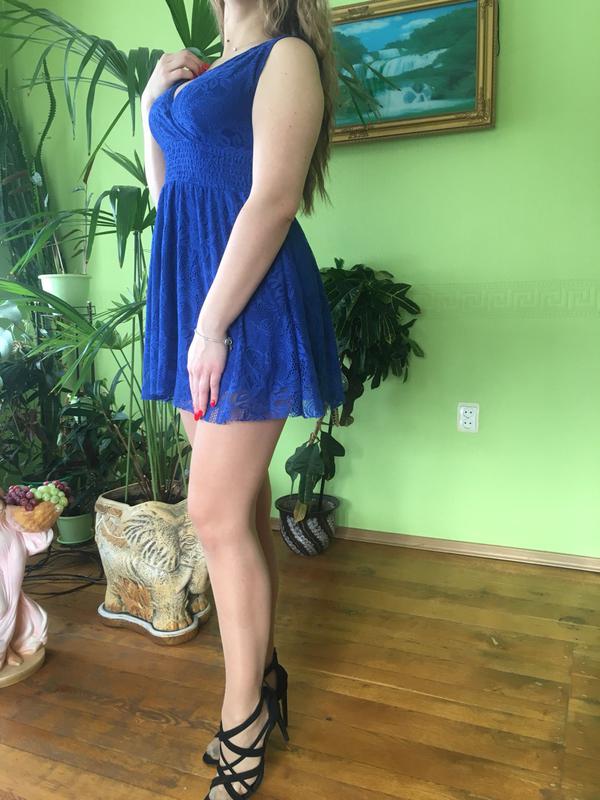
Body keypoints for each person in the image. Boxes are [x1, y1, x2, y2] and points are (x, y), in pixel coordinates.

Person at [140, 1, 344, 797]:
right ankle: (262, 674)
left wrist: (213, 327)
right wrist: (150, 104)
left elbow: (273, 199)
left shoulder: (285, 57)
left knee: (214, 516)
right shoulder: (205, 72)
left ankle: (244, 719)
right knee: (242, 512)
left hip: (241, 311)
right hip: (199, 304)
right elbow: (170, 196)